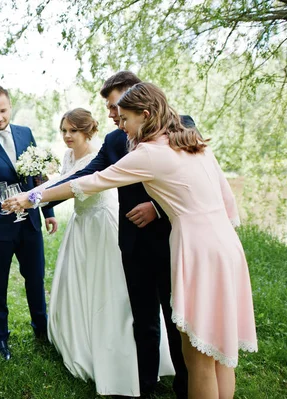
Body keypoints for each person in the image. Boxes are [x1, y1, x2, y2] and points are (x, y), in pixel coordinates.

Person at [5, 82, 258, 399]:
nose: (120, 125)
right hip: (227, 247)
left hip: (197, 250)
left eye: (124, 118)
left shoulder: (149, 154)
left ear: (146, 115)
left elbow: (89, 183)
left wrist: (32, 198)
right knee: (221, 351)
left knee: (198, 359)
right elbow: (227, 201)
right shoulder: (193, 142)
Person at [42, 71, 188, 398]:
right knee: (143, 320)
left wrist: (156, 206)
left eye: (114, 107)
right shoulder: (112, 141)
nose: (110, 115)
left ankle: (186, 385)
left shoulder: (180, 125)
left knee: (178, 319)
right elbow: (86, 175)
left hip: (171, 241)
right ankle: (145, 386)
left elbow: (192, 180)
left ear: (136, 98)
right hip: (132, 243)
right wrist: (37, 196)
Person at [43, 108, 142, 396]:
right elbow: (59, 184)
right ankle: (75, 340)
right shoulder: (67, 156)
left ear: (89, 131)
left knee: (106, 287)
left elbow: (73, 187)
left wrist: (34, 198)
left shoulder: (98, 156)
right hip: (81, 223)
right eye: (64, 130)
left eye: (73, 130)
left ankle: (112, 348)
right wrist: (39, 196)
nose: (67, 136)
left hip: (101, 223)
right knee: (75, 283)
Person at [0, 85, 58, 360]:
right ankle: (0, 338)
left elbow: (37, 177)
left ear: (10, 107)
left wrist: (48, 211)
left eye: (3, 110)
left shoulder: (25, 133)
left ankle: (41, 329)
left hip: (29, 222)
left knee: (35, 277)